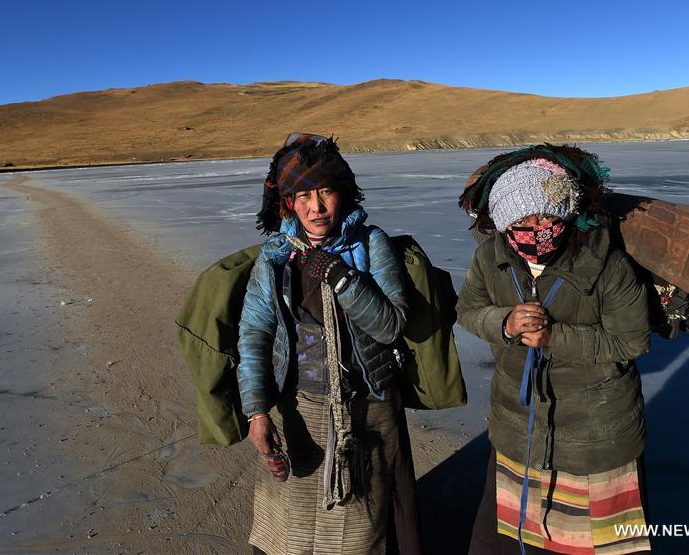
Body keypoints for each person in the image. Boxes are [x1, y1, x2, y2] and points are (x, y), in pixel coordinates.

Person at [456, 146, 652, 555]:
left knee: (595, 543)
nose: (536, 229)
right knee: (507, 538)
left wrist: (554, 338)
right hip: (518, 427)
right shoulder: (491, 257)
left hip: (595, 436)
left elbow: (631, 341)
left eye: (546, 217)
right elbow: (468, 311)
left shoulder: (607, 264)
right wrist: (505, 323)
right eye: (523, 221)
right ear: (505, 222)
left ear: (564, 212)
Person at [237, 132, 418, 555]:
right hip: (299, 408)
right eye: (303, 196)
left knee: (360, 530)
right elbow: (255, 333)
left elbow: (391, 325)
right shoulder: (276, 256)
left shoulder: (371, 244)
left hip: (367, 410)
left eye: (325, 192)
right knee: (292, 528)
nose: (315, 207)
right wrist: (257, 411)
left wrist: (341, 277)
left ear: (343, 194)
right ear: (288, 203)